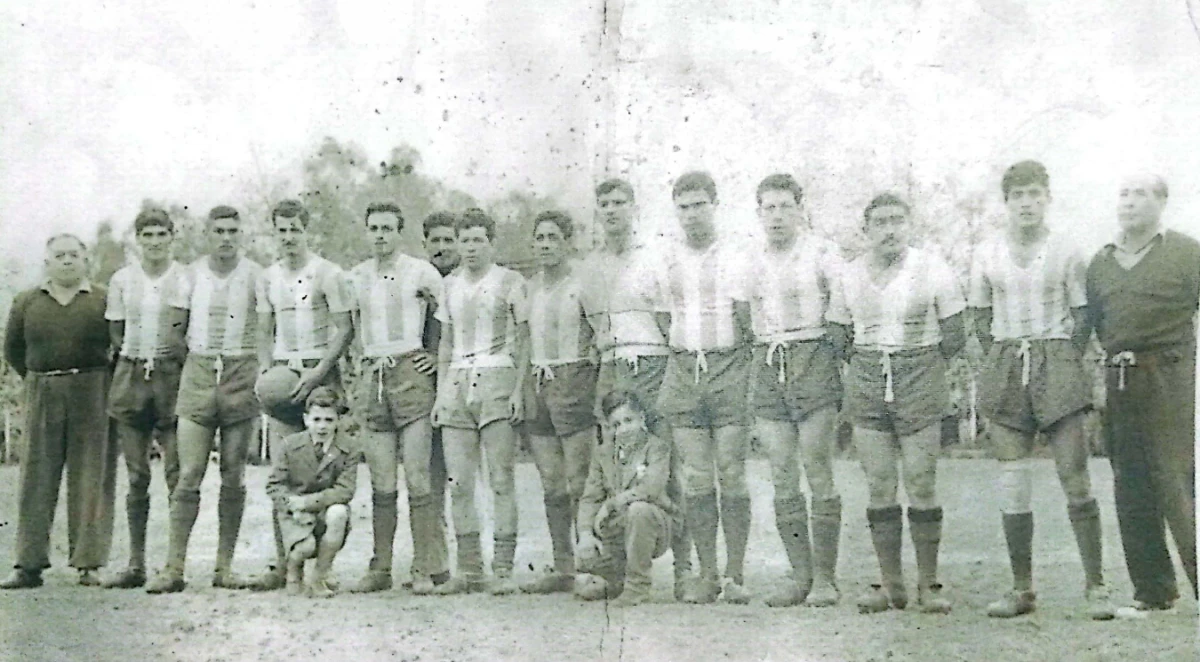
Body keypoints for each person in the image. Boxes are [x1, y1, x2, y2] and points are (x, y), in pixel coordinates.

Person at [970, 162, 1113, 619]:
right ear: (1006, 202)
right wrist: (1001, 358)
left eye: (1034, 194)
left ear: (1047, 197)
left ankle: (1096, 586)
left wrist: (1064, 358)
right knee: (1013, 479)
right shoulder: (988, 252)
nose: (1026, 203)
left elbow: (1083, 315)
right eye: (1017, 196)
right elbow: (979, 316)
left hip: (1056, 359)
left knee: (1074, 475)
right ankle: (1021, 589)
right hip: (1008, 360)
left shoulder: (1068, 249)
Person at [826, 193, 966, 615]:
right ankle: (890, 584)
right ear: (866, 231)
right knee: (880, 483)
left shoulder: (932, 268)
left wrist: (918, 365)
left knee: (921, 481)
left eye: (897, 221)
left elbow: (955, 333)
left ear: (909, 225)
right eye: (880, 222)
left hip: (921, 373)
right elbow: (838, 336)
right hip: (869, 377)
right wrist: (871, 362)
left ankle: (929, 584)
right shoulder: (849, 276)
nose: (889, 230)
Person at [1085, 173, 1198, 612]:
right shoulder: (1101, 261)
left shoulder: (1188, 253)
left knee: (1174, 480)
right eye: (1123, 193)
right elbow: (1097, 323)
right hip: (1119, 380)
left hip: (1169, 377)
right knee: (1129, 484)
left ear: (1162, 202)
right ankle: (1153, 593)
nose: (1129, 202)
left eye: (1140, 194)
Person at [579, 177, 692, 601]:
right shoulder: (590, 266)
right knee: (613, 460)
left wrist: (667, 371)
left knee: (667, 466)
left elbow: (668, 324)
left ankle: (685, 572)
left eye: (620, 202)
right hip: (611, 363)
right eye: (604, 203)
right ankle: (618, 570)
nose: (612, 210)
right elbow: (593, 324)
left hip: (652, 362)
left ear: (634, 208)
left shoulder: (655, 257)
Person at [146, 205, 262, 593]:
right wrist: (197, 364)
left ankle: (224, 567)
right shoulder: (189, 275)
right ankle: (174, 567)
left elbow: (265, 328)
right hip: (198, 372)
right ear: (207, 234)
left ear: (240, 234)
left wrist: (249, 367)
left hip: (241, 370)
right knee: (189, 471)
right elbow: (173, 331)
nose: (226, 238)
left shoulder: (255, 275)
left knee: (234, 471)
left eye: (233, 230)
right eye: (219, 231)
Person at [745, 174, 844, 608]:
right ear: (759, 213)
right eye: (769, 208)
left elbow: (842, 313)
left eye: (786, 206)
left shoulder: (823, 253)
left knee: (817, 466)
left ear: (801, 208)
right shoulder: (750, 259)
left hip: (813, 355)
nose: (778, 215)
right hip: (769, 361)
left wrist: (824, 359)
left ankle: (825, 577)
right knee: (781, 471)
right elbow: (742, 316)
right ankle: (799, 575)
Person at [656, 171, 754, 605]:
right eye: (684, 206)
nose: (692, 214)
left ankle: (735, 574)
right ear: (675, 211)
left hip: (727, 366)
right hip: (683, 369)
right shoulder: (667, 259)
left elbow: (747, 320)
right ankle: (707, 573)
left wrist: (729, 362)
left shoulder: (735, 255)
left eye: (700, 205)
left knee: (731, 470)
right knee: (696, 476)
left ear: (714, 206)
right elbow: (664, 318)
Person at [1, 234, 118, 589]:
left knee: (92, 476)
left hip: (93, 390)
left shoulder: (102, 298)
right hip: (42, 388)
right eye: (59, 255)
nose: (67, 261)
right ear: (47, 262)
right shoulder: (27, 301)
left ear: (86, 260)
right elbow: (13, 349)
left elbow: (118, 344)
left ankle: (89, 563)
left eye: (74, 255)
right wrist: (39, 380)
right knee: (37, 477)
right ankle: (28, 564)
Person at [250, 199, 354, 591]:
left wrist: (318, 373)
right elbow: (263, 328)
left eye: (295, 229)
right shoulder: (268, 276)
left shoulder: (328, 273)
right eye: (282, 230)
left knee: (326, 468)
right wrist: (265, 371)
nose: (289, 237)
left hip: (320, 373)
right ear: (274, 233)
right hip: (282, 375)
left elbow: (344, 329)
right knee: (284, 471)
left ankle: (322, 565)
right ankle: (285, 563)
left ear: (307, 231)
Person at [347, 202, 448, 594]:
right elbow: (352, 325)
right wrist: (360, 365)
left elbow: (442, 318)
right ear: (367, 231)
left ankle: (423, 567)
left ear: (400, 232)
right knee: (381, 480)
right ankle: (380, 567)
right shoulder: (355, 276)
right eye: (374, 228)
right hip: (373, 374)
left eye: (388, 228)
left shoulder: (421, 272)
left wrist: (434, 356)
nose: (380, 235)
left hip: (411, 372)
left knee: (419, 477)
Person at [431, 208, 529, 596]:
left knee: (502, 479)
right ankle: (469, 569)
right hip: (457, 381)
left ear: (491, 242)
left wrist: (519, 390)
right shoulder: (450, 284)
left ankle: (502, 569)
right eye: (464, 240)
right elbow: (446, 342)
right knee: (459, 483)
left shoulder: (510, 281)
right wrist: (441, 392)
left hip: (498, 378)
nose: (469, 248)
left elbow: (523, 339)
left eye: (477, 240)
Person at [102, 208, 189, 589]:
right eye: (147, 235)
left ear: (172, 237)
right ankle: (135, 563)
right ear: (137, 240)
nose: (154, 242)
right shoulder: (122, 280)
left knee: (176, 474)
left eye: (161, 234)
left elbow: (186, 329)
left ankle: (174, 568)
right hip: (132, 375)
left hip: (173, 376)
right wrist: (138, 361)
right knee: (137, 475)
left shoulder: (186, 277)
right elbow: (117, 334)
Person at [520, 210, 599, 594]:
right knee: (551, 483)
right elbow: (521, 342)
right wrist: (521, 390)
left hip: (574, 379)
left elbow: (600, 335)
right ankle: (563, 565)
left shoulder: (581, 284)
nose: (546, 245)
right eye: (540, 238)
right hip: (538, 382)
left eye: (554, 237)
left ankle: (590, 564)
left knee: (579, 480)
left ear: (568, 242)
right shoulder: (528, 288)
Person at [574, 391, 681, 607]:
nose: (623, 429)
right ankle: (615, 579)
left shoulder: (657, 447)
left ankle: (637, 586)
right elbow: (590, 496)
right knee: (585, 563)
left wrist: (613, 503)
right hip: (617, 527)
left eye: (628, 421)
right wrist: (585, 533)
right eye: (616, 424)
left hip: (657, 524)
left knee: (639, 510)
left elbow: (651, 488)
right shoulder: (604, 453)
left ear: (641, 419)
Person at [265, 387, 357, 598]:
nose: (322, 426)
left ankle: (319, 575)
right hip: (294, 514)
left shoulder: (349, 448)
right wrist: (292, 505)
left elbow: (346, 490)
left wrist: (308, 503)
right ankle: (293, 569)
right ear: (306, 419)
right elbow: (274, 485)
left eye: (329, 420)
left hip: (322, 511)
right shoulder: (290, 445)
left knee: (339, 512)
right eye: (317, 419)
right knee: (305, 548)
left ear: (338, 421)